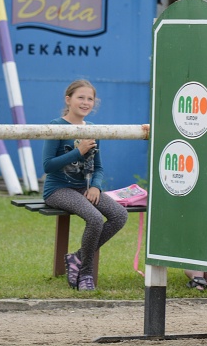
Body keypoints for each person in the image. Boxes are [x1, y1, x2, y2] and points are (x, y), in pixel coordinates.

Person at [42, 80, 128, 291]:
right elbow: (48, 166)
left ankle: (77, 257)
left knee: (119, 215)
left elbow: (98, 167)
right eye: (81, 97)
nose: (86, 102)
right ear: (68, 99)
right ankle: (86, 273)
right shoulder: (56, 126)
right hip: (58, 190)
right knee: (95, 218)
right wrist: (77, 151)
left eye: (90, 99)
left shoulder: (93, 130)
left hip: (84, 188)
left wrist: (96, 186)